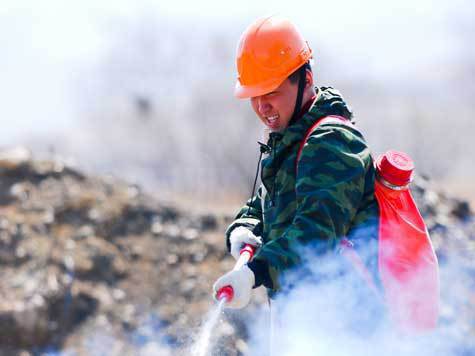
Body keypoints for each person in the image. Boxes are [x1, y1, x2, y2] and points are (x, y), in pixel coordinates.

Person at [213, 15, 380, 319]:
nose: (262, 107)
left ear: (306, 79)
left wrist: (256, 271)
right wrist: (244, 228)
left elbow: (317, 232)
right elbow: (270, 202)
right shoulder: (291, 140)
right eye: (254, 96)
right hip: (306, 315)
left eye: (272, 92)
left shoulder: (332, 142)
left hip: (346, 321)